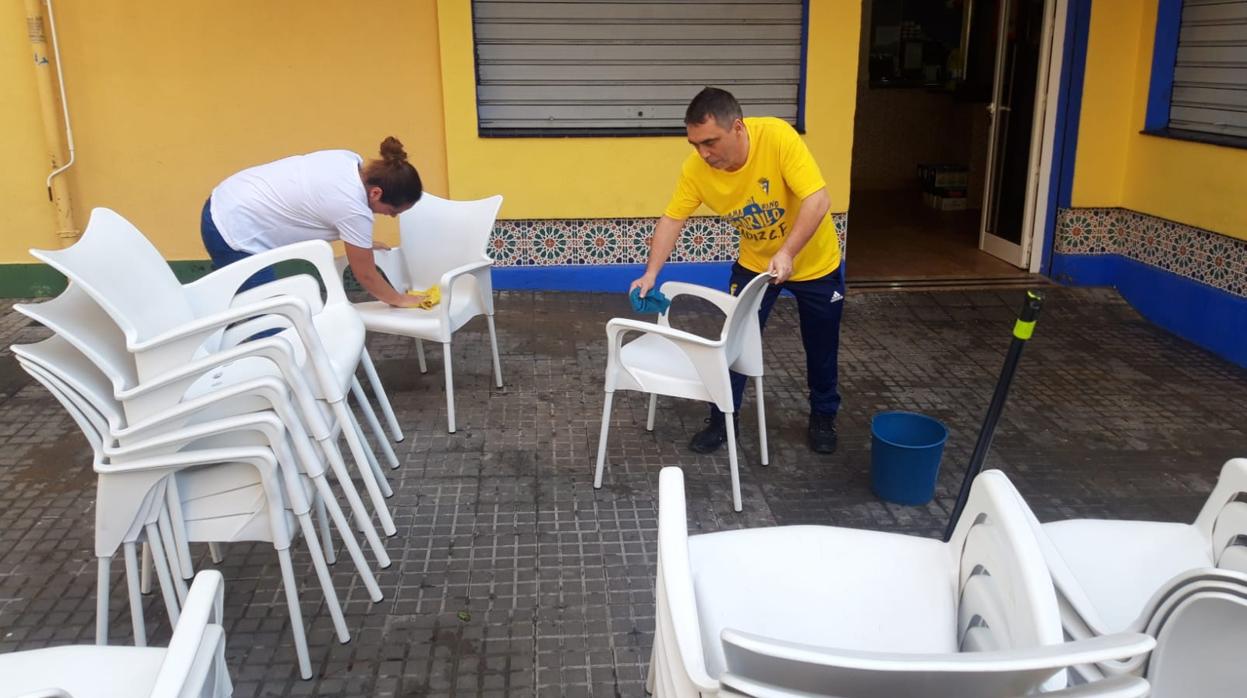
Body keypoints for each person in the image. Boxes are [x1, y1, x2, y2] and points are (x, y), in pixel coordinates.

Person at [630, 87, 845, 455]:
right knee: (733, 344)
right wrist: (651, 273)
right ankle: (722, 420)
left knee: (821, 346)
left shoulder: (777, 137)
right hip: (754, 265)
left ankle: (823, 416)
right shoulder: (696, 170)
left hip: (816, 265)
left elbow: (818, 198)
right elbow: (672, 220)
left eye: (711, 142)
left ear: (739, 129)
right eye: (695, 144)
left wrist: (788, 252)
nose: (703, 153)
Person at [201, 136, 427, 307]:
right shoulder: (353, 209)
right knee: (271, 320)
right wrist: (400, 299)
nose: (391, 216)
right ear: (376, 193)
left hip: (227, 197)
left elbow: (319, 202)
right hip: (233, 230)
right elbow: (366, 274)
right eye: (392, 210)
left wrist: (363, 244)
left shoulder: (348, 160)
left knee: (249, 305)